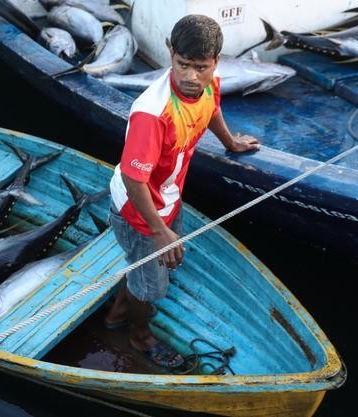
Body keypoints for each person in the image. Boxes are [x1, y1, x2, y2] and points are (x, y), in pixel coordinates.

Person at [104, 14, 260, 369]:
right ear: (170, 53)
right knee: (152, 288)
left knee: (147, 271)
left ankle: (117, 311)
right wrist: (158, 231)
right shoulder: (152, 113)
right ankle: (138, 335)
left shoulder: (210, 82)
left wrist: (231, 143)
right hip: (139, 213)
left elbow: (212, 108)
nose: (191, 77)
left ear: (215, 62)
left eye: (200, 67)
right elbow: (134, 180)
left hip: (169, 197)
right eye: (182, 64)